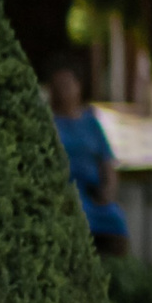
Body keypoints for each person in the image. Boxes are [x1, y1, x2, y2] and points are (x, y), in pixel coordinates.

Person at [47, 61, 129, 257]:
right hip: (64, 192)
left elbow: (106, 161)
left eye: (67, 84)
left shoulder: (90, 121)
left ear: (78, 86)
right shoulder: (48, 122)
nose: (62, 91)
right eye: (58, 85)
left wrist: (108, 190)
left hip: (93, 193)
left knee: (115, 218)